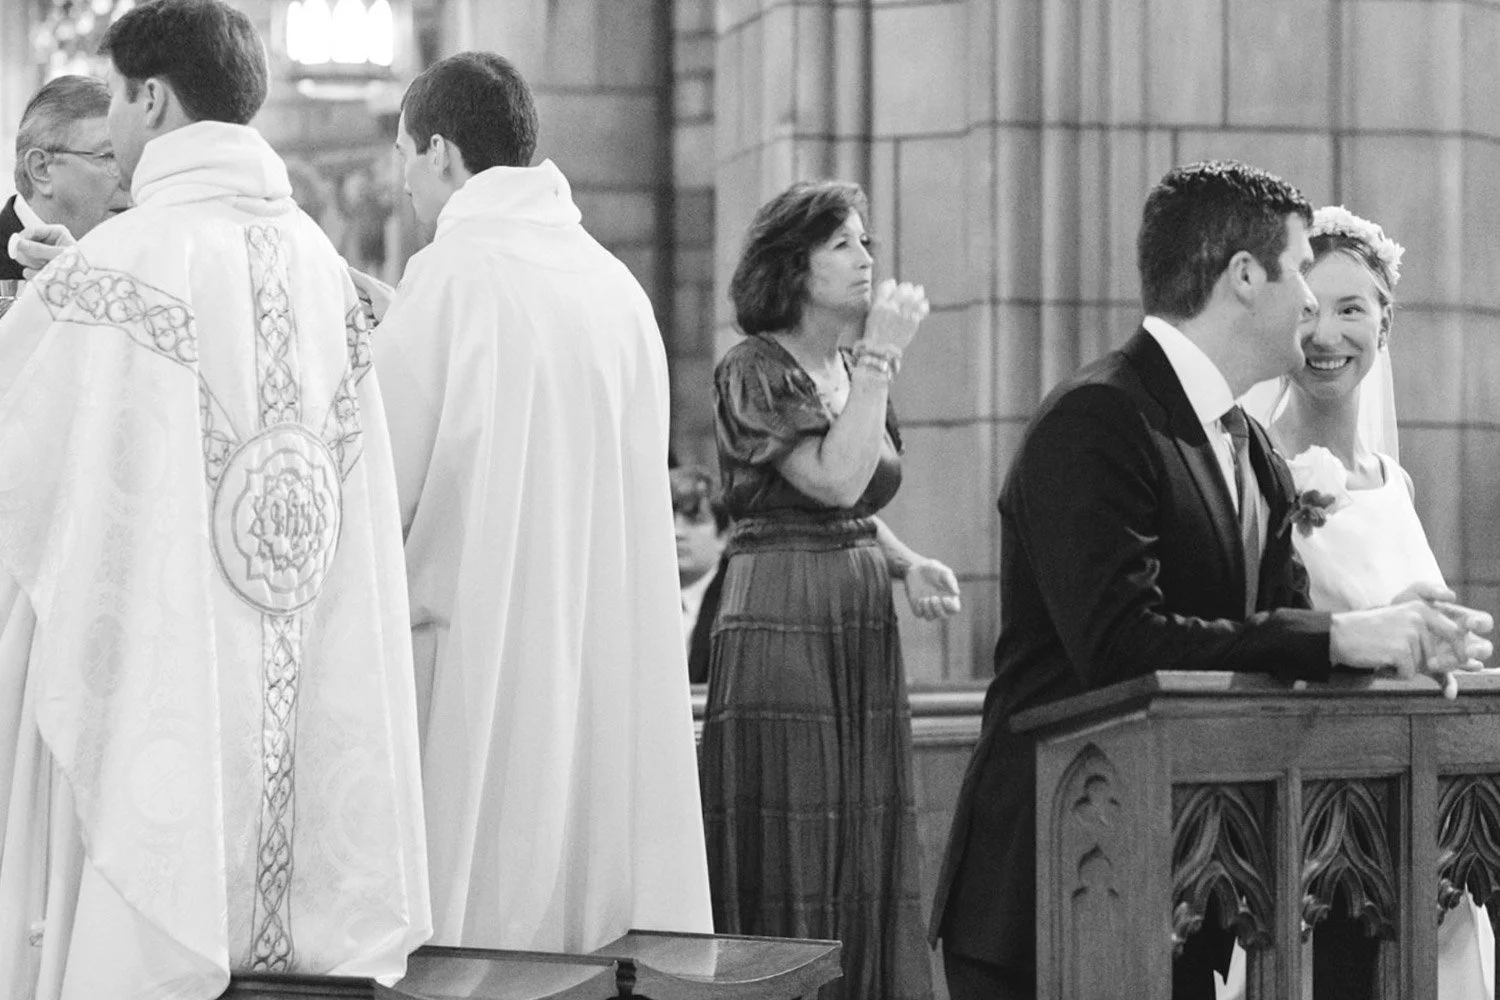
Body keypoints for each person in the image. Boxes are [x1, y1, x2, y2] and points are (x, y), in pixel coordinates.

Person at [929, 160, 1491, 1000]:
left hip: (1194, 880)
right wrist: (1339, 635)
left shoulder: (1246, 444)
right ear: (1243, 278)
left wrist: (1390, 631)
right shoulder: (1098, 418)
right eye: (1300, 269)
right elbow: (1121, 644)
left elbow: (1276, 627)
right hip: (1059, 884)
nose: (1309, 300)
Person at [0, 3, 431, 998]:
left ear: (151, 98)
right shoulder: (326, 269)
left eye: (111, 94)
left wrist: (56, 307)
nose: (110, 120)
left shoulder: (126, 260)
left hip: (156, 688)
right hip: (296, 662)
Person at [351, 51, 713, 952]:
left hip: (482, 662)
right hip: (602, 661)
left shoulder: (454, 277)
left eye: (403, 154)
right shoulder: (614, 288)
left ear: (440, 151)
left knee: (480, 926)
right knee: (582, 929)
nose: (401, 183)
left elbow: (374, 488)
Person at [700, 179, 962, 1000]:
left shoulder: (847, 368)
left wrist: (906, 560)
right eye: (843, 244)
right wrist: (883, 356)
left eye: (867, 243)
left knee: (862, 829)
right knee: (797, 826)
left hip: (854, 611)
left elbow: (852, 515)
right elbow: (832, 480)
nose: (866, 260)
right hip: (780, 613)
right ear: (794, 263)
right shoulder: (754, 368)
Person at [1242, 206, 1493, 1000]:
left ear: (1385, 323)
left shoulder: (1396, 482)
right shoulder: (1254, 468)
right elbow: (1253, 632)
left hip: (1425, 824)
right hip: (1318, 827)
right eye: (1308, 309)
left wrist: (1439, 634)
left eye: (1351, 309)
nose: (1325, 336)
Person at [2, 75, 130, 279]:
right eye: (110, 157)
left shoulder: (136, 262)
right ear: (41, 169)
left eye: (133, 158)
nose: (129, 179)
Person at [670, 465, 729, 684]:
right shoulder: (632, 601)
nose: (677, 532)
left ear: (723, 536)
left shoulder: (738, 602)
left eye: (693, 520)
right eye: (667, 519)